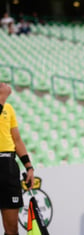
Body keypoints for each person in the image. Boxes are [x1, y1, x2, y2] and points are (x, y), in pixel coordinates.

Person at [0, 83, 35, 235]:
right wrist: (2, 97)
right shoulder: (3, 102)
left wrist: (29, 167)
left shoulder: (8, 108)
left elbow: (17, 140)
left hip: (8, 165)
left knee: (12, 229)